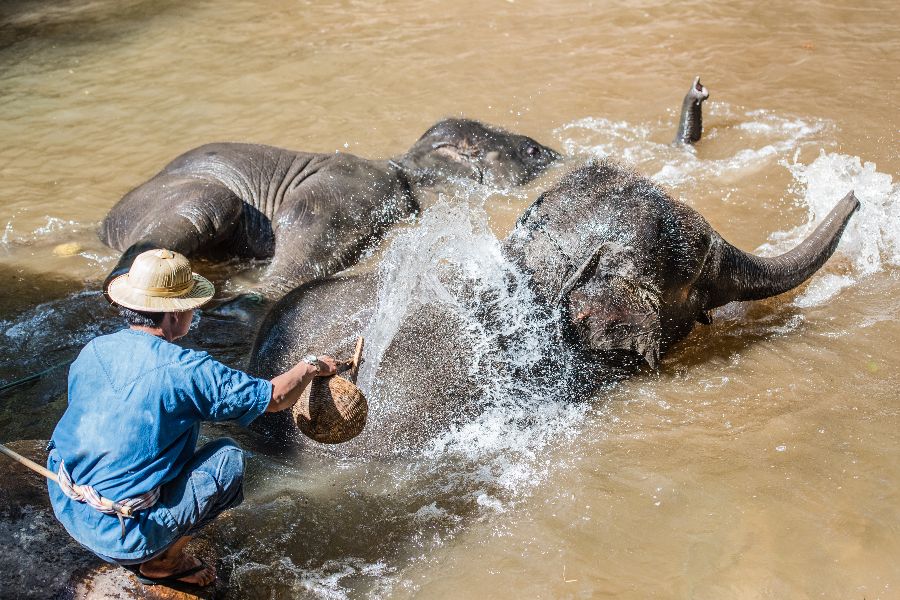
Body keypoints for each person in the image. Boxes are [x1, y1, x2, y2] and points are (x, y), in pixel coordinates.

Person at [46, 248, 337, 588]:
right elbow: (275, 398)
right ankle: (163, 561)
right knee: (228, 458)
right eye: (192, 306)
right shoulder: (188, 369)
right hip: (123, 536)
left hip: (67, 504)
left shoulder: (93, 348)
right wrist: (312, 365)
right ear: (174, 314)